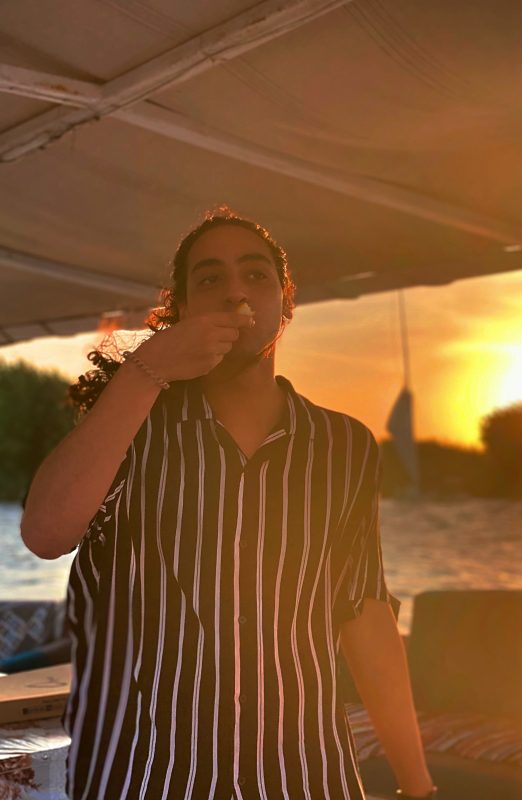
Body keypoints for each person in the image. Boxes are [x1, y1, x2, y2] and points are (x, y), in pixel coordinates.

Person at [21, 209, 436, 800]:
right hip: (146, 776)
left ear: (286, 301)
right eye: (210, 279)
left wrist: (416, 785)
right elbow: (44, 533)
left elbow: (364, 613)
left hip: (307, 775)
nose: (236, 291)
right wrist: (148, 372)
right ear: (183, 308)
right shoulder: (130, 427)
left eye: (256, 276)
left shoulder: (344, 446)